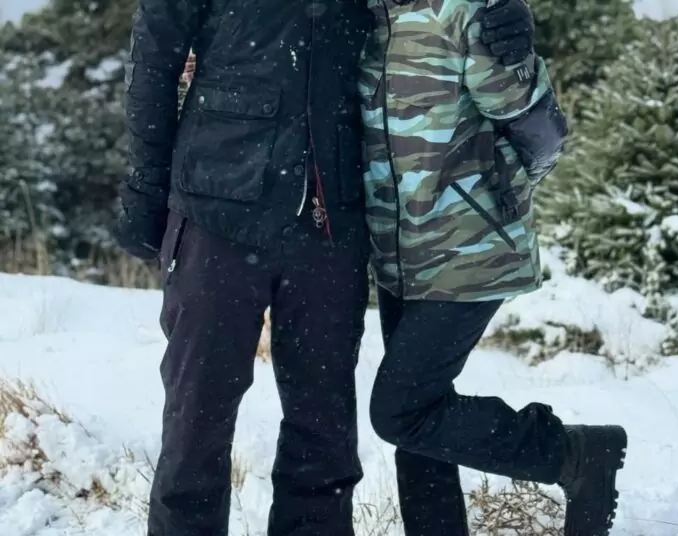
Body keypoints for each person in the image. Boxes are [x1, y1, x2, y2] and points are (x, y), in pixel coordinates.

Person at [115, 0, 533, 535]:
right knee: (197, 420)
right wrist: (146, 183)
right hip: (215, 207)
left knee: (324, 433)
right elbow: (154, 56)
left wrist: (507, 12)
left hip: (331, 217)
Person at [358, 1, 628, 536]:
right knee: (422, 420)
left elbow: (541, 133)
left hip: (467, 251)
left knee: (401, 412)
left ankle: (571, 454)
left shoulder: (464, 11)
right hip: (400, 258)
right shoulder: (361, 16)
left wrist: (489, 197)